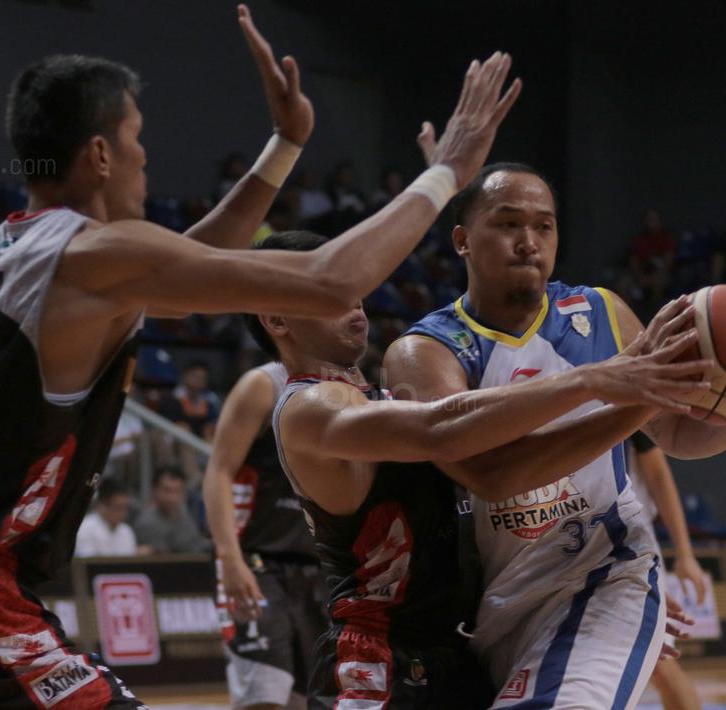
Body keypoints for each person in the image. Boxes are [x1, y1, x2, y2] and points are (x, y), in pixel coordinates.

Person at [0, 4, 524, 705]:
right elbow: (331, 280)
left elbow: (188, 266)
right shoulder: (95, 252)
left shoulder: (11, 249)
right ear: (101, 154)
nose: (145, 157)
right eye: (137, 139)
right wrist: (446, 172)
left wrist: (284, 146)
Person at [261, 230, 703, 708]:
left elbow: (477, 499)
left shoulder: (384, 402)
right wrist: (599, 379)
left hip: (457, 653)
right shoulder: (309, 406)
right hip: (380, 663)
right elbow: (442, 426)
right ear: (277, 318)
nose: (354, 303)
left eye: (355, 286)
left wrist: (592, 585)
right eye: (330, 290)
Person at [385, 162, 726, 708]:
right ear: (462, 240)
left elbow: (675, 435)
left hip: (604, 570)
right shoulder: (425, 352)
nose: (528, 242)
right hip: (491, 607)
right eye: (508, 224)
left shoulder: (602, 313)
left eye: (544, 226)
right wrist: (630, 392)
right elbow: (490, 473)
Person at [203, 357, 326, 710]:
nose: (356, 313)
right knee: (263, 697)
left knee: (311, 699)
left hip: (321, 567)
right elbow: (219, 472)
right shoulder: (264, 384)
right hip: (259, 559)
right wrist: (229, 556)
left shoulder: (351, 388)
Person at [628, 433, 702, 710]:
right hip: (559, 539)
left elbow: (657, 472)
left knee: (658, 658)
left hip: (627, 538)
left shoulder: (620, 395)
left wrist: (685, 554)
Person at [75, 477, 143, 558]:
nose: (124, 513)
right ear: (102, 505)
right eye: (119, 508)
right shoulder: (84, 529)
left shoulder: (126, 531)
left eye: (126, 507)